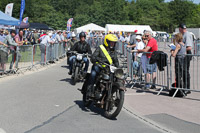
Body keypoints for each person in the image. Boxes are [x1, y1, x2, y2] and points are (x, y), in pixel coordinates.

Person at [179, 24, 193, 94]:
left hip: (187, 54)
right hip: (184, 54)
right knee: (183, 71)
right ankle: (185, 87)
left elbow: (189, 47)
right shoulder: (184, 34)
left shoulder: (186, 35)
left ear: (180, 29)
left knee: (185, 71)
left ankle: (187, 88)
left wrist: (180, 49)